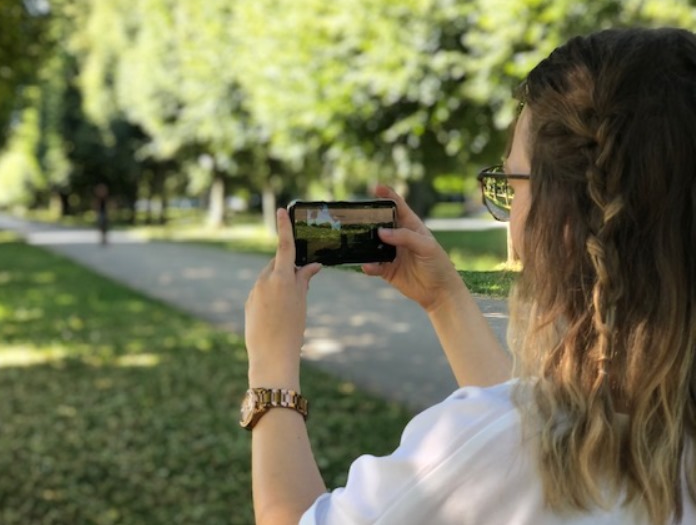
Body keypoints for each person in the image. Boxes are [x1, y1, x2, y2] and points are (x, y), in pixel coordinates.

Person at [241, 27, 696, 524]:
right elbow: (530, 435)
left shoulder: (501, 446)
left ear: (565, 219)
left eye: (513, 183)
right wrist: (445, 301)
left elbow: (510, 444)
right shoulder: (657, 431)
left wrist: (271, 366)